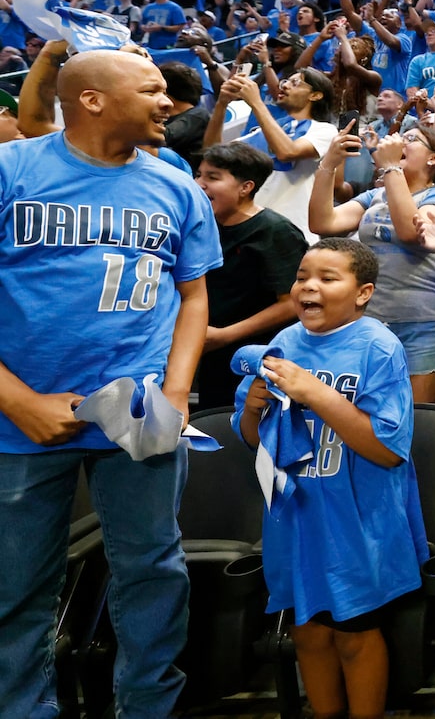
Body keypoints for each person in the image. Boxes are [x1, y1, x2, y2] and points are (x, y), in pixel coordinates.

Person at [0, 50, 222, 715]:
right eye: (151, 89)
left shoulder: (178, 184)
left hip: (140, 412)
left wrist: (177, 395)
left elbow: (194, 298)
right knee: (14, 591)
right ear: (92, 98)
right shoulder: (12, 171)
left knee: (155, 576)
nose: (168, 102)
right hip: (19, 417)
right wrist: (17, 399)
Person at [233, 238, 428, 719]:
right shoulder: (281, 345)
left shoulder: (379, 347)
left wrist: (314, 393)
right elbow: (253, 440)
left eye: (327, 278)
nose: (309, 287)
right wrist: (254, 412)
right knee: (308, 631)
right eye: (302, 277)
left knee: (354, 634)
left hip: (356, 523)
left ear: (362, 293)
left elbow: (387, 450)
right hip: (297, 518)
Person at [309, 127, 435, 404]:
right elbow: (323, 222)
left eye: (411, 139)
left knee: (416, 421)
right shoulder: (375, 196)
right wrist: (329, 164)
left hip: (426, 325)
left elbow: (411, 232)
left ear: (434, 159)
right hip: (372, 321)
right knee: (363, 414)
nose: (399, 142)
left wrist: (391, 166)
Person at [195, 142, 306, 410]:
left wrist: (225, 335)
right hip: (212, 355)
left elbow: (292, 302)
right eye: (198, 175)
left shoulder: (274, 231)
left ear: (246, 187)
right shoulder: (203, 226)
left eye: (212, 177)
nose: (199, 184)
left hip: (259, 358)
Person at [206, 69, 340, 244]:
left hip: (292, 230)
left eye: (295, 82)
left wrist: (256, 102)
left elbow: (287, 152)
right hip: (250, 227)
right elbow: (212, 152)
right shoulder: (265, 130)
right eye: (285, 81)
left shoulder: (325, 130)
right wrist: (221, 104)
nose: (284, 86)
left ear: (315, 95)